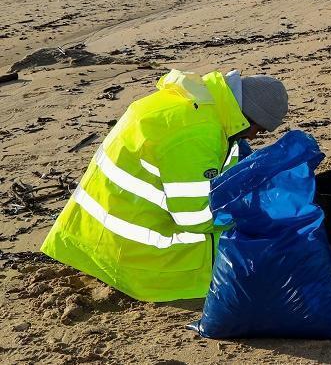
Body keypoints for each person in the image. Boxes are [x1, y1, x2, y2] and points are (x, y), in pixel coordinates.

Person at [41, 69, 288, 302]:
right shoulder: (196, 134)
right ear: (248, 115)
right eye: (258, 129)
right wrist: (255, 213)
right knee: (241, 240)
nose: (254, 137)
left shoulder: (196, 103)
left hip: (95, 237)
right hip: (137, 259)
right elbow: (197, 217)